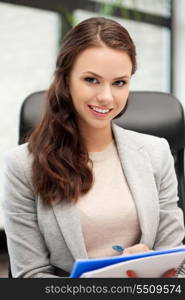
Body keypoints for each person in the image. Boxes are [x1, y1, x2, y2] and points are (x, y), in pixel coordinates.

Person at [2, 17, 185, 278]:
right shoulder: (22, 165)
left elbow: (176, 263)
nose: (106, 97)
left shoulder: (157, 153)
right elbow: (31, 276)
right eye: (91, 80)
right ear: (65, 79)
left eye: (119, 82)